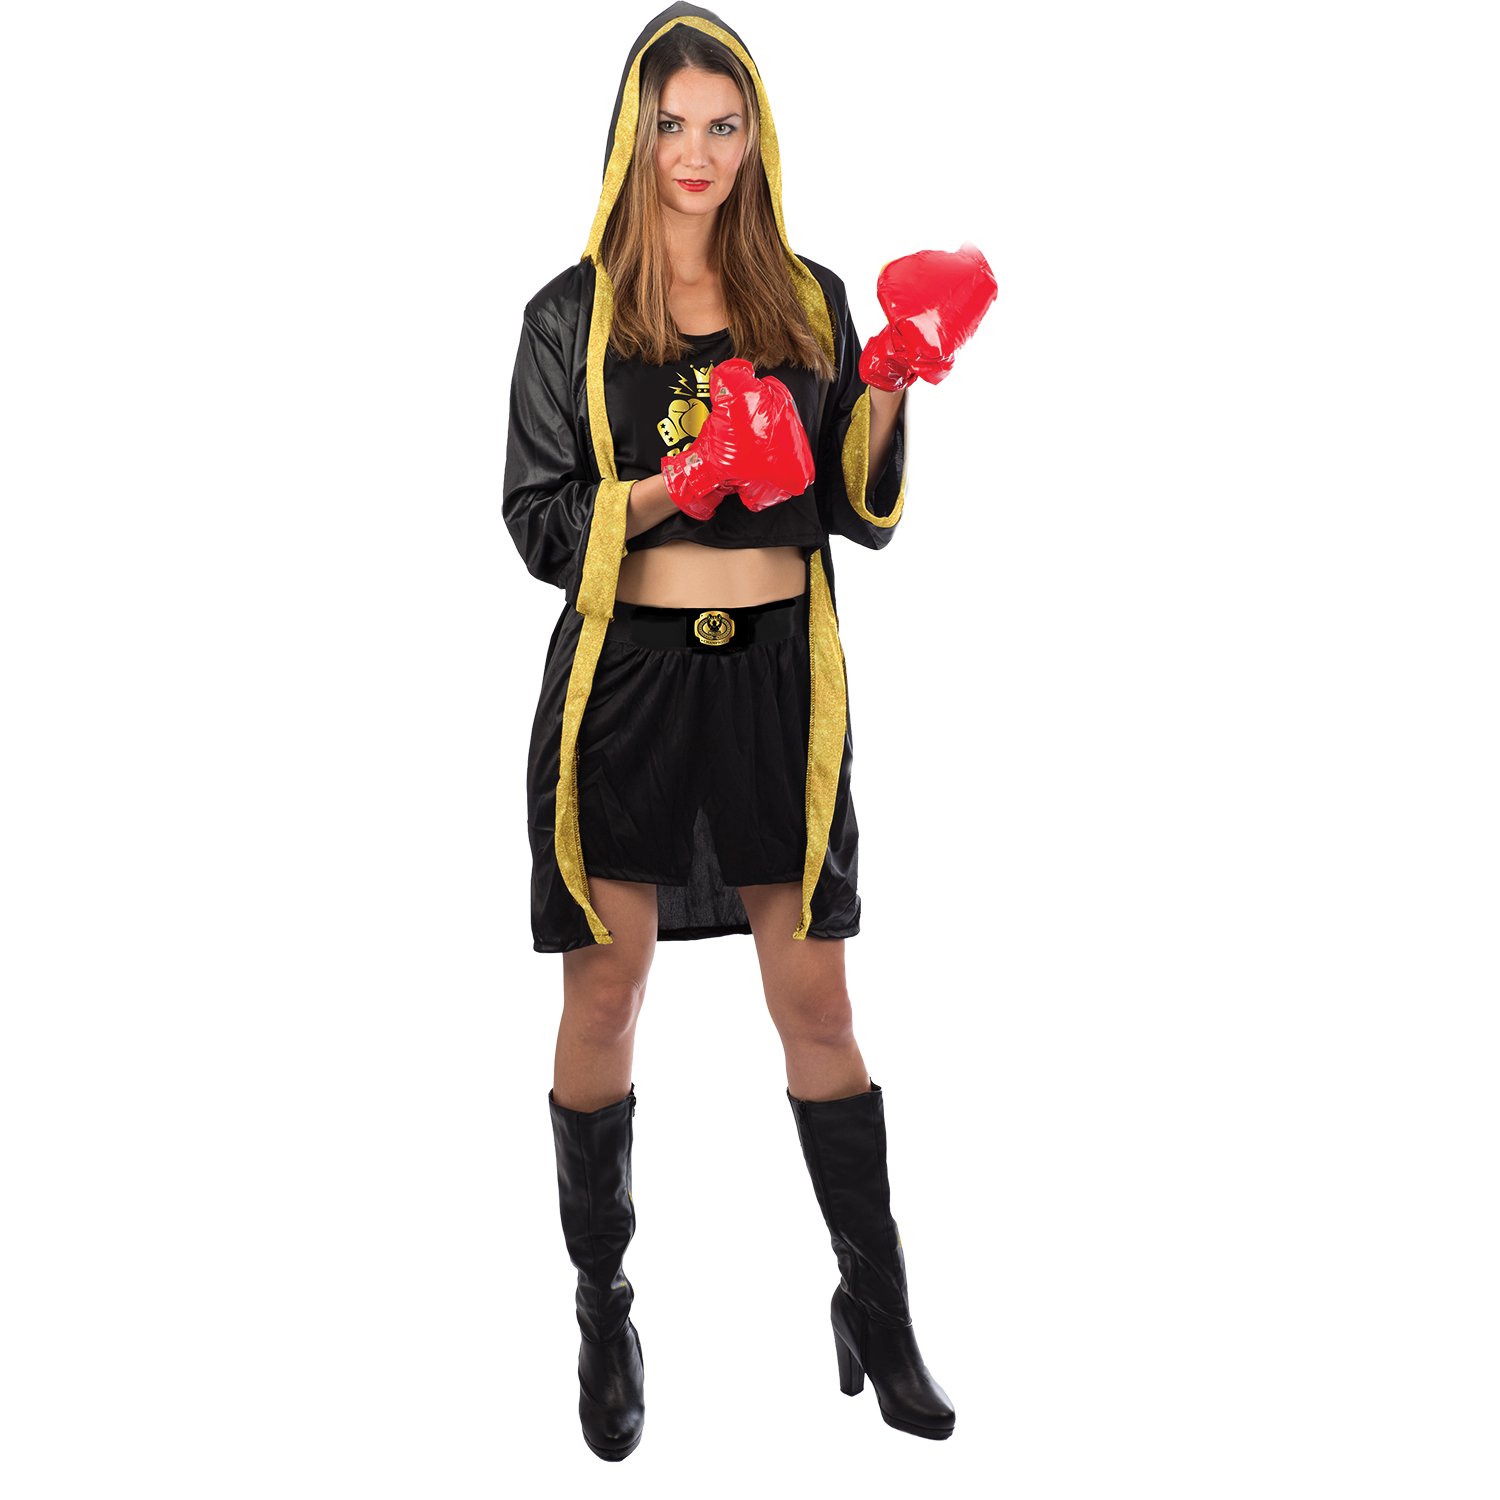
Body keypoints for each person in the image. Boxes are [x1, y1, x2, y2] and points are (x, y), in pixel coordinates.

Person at [503, 2, 994, 1463]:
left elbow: (856, 505)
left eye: (724, 126)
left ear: (754, 139)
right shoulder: (572, 318)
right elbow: (539, 523)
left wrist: (892, 382)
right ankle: (602, 1307)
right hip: (630, 684)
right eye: (673, 125)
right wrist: (684, 481)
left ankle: (877, 1309)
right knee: (606, 995)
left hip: (782, 680)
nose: (699, 153)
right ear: (633, 137)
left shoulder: (808, 304)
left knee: (819, 1003)